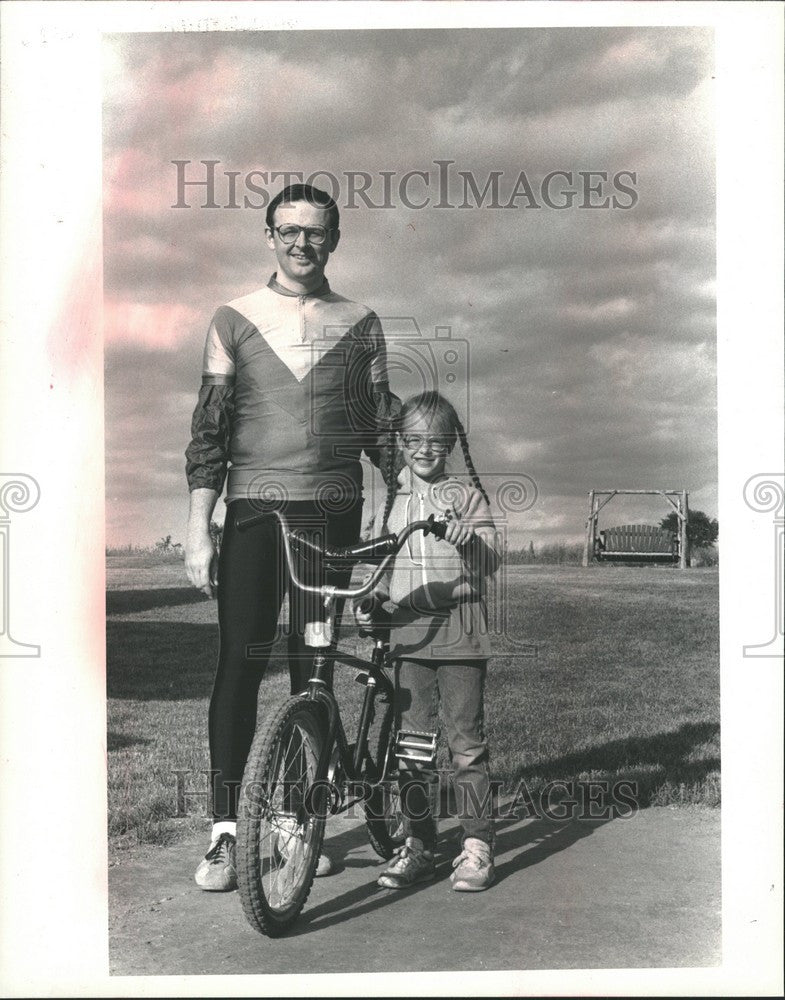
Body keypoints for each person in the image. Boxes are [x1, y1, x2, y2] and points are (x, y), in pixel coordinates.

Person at [184, 183, 398, 890]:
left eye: (314, 232)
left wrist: (402, 505)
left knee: (314, 670)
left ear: (332, 239)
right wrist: (198, 529)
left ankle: (299, 823)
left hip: (332, 516)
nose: (300, 243)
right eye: (287, 231)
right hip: (252, 514)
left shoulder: (362, 321)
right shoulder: (233, 318)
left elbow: (376, 429)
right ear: (269, 236)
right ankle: (225, 833)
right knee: (239, 664)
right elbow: (210, 433)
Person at [355, 391, 501, 892]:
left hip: (460, 635)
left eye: (436, 442)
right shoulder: (391, 498)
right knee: (413, 751)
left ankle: (478, 846)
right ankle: (419, 845)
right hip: (408, 640)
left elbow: (490, 566)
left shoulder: (463, 495)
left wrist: (471, 538)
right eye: (414, 439)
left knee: (466, 747)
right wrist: (371, 597)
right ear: (400, 440)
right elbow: (379, 564)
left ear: (451, 444)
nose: (424, 450)